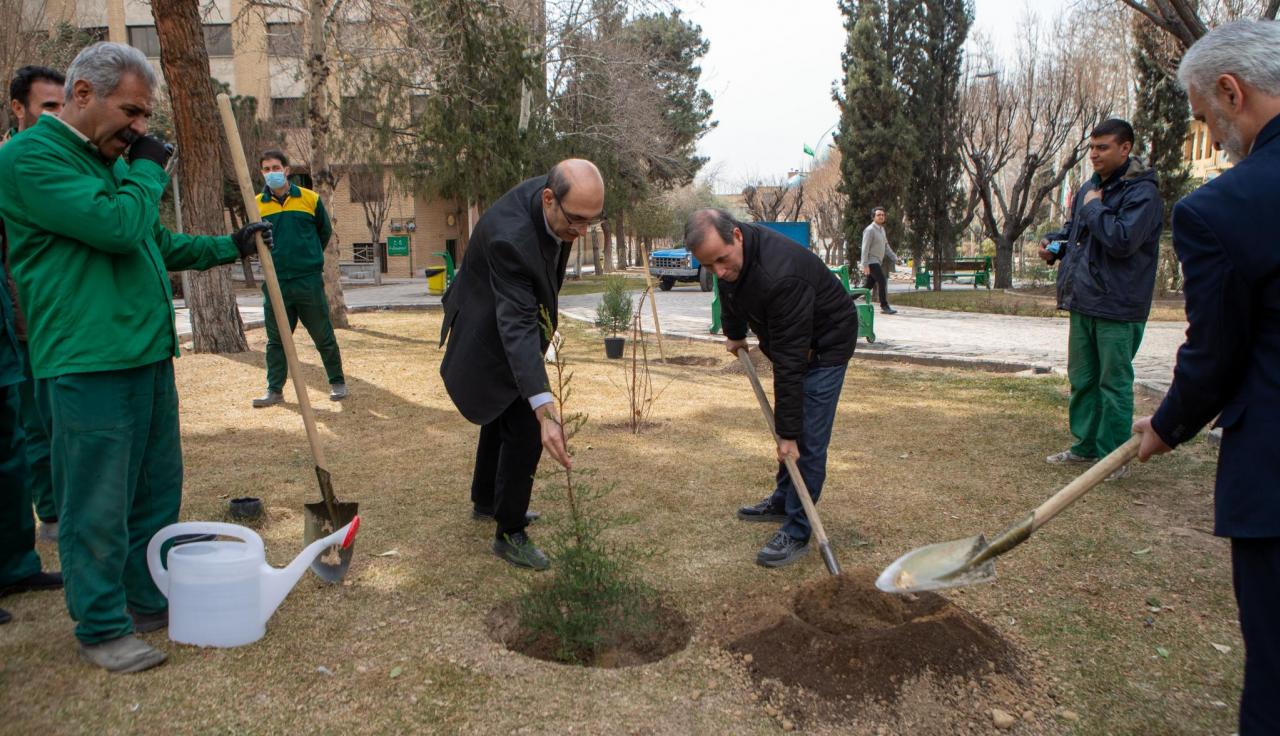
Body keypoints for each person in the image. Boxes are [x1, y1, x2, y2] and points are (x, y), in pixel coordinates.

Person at [0, 42, 272, 672]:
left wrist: (230, 245)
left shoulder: (109, 162)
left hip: (146, 354)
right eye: (132, 112)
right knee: (96, 501)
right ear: (83, 94)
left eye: (147, 116)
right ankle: (101, 625)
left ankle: (145, 597)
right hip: (87, 361)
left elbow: (155, 242)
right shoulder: (30, 158)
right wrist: (148, 169)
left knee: (154, 490)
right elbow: (119, 227)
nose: (141, 129)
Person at [1131, 20, 1280, 735]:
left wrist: (1167, 425)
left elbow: (1215, 353)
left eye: (1204, 118)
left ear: (1231, 91)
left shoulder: (1224, 207)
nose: (1213, 139)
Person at [439, 159, 604, 570]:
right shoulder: (510, 240)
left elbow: (543, 278)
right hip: (486, 326)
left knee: (502, 409)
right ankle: (509, 532)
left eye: (592, 221)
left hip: (508, 314)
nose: (583, 231)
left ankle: (485, 500)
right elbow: (516, 327)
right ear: (549, 199)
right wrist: (545, 410)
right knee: (526, 425)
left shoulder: (560, 205)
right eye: (577, 221)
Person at [687, 208, 857, 568]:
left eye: (721, 260)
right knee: (792, 429)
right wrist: (734, 332)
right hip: (793, 341)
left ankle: (797, 529)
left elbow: (790, 364)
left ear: (737, 235)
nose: (718, 271)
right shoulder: (732, 258)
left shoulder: (781, 274)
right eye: (708, 265)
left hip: (826, 343)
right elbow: (729, 289)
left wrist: (789, 435)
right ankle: (782, 501)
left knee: (806, 440)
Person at [1039, 118, 1162, 480]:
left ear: (1125, 148)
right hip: (1084, 300)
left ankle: (1113, 458)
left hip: (1118, 306)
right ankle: (1085, 446)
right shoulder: (1090, 188)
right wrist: (1053, 244)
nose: (1094, 154)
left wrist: (1093, 208)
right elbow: (1076, 234)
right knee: (1083, 379)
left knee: (1113, 384)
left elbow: (1122, 240)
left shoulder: (1142, 193)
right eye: (1092, 147)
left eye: (1102, 147)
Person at [4, 65, 65, 543]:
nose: (57, 116)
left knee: (66, 425)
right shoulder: (8, 166)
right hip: (21, 326)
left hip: (64, 323)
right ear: (18, 108)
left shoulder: (67, 165)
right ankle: (51, 513)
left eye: (63, 106)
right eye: (48, 107)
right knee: (33, 428)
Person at [251, 149, 346, 407]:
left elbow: (324, 232)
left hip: (307, 281)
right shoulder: (256, 204)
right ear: (261, 173)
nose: (271, 173)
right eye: (266, 169)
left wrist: (308, 256)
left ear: (286, 170)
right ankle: (274, 390)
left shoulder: (309, 199)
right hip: (276, 283)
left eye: (275, 168)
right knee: (277, 340)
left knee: (323, 334)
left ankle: (337, 382)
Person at [859, 207, 896, 314]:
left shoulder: (882, 230)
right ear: (873, 217)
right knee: (882, 281)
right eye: (878, 215)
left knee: (868, 286)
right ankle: (884, 306)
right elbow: (865, 248)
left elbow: (886, 246)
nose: (881, 217)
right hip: (871, 261)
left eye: (883, 215)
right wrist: (865, 264)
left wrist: (894, 257)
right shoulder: (870, 230)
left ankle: (847, 298)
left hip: (877, 261)